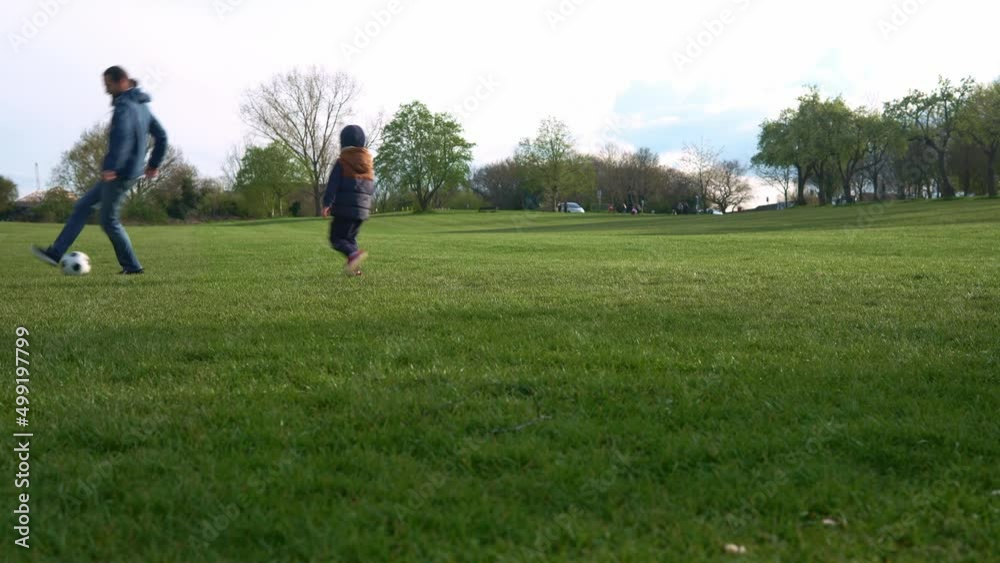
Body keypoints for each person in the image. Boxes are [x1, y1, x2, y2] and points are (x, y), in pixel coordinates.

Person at [32, 66, 167, 275]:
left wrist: (112, 166)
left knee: (109, 221)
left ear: (121, 81)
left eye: (108, 84)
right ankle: (55, 253)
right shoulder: (142, 106)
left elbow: (122, 137)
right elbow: (162, 136)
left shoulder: (124, 106)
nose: (106, 89)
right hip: (129, 171)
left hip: (120, 173)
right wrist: (153, 165)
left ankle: (132, 267)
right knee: (82, 206)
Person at [323, 125, 374, 277]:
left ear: (343, 143)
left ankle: (354, 255)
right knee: (350, 239)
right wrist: (365, 206)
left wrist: (327, 203)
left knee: (336, 238)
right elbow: (370, 188)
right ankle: (355, 268)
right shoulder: (368, 165)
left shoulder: (342, 162)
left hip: (344, 210)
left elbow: (333, 184)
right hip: (361, 211)